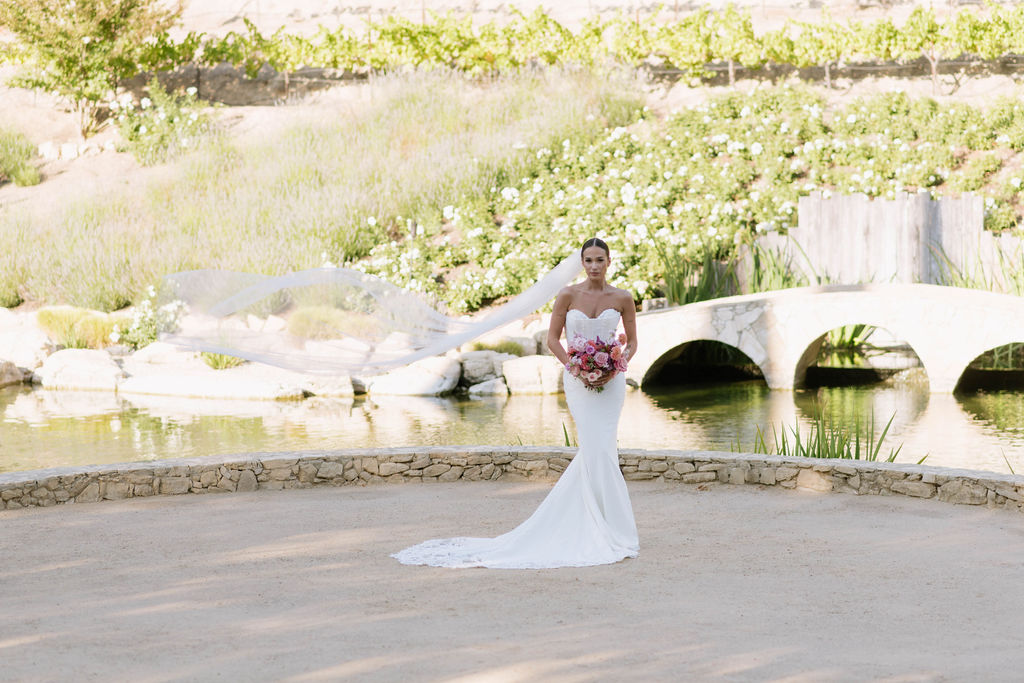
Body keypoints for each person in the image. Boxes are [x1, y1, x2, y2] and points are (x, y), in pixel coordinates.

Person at [392, 237, 640, 569]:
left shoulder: (623, 298)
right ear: (582, 263)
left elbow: (632, 342)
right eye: (588, 260)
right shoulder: (568, 295)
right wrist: (576, 367)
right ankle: (593, 525)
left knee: (605, 448)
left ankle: (611, 526)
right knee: (593, 446)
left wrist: (614, 366)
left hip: (611, 384)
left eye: (600, 260)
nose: (594, 265)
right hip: (578, 380)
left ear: (610, 262)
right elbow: (553, 340)